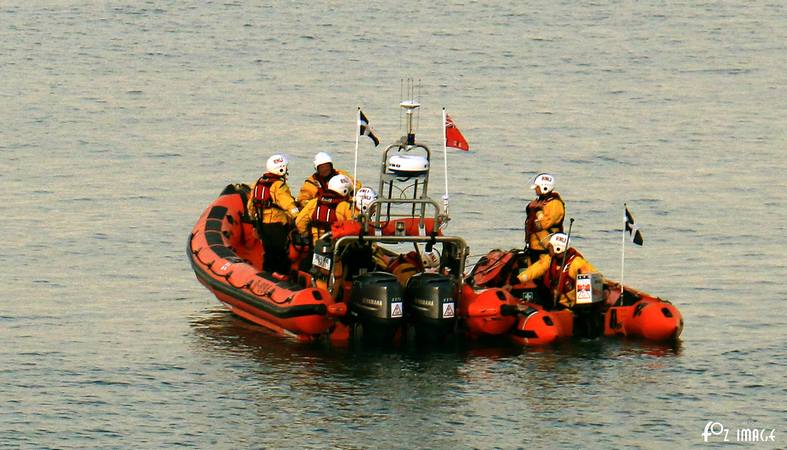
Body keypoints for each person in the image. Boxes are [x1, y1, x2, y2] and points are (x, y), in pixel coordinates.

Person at [247, 154, 300, 276]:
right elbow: (288, 204)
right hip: (276, 225)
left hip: (262, 224)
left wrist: (254, 224)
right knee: (280, 253)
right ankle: (282, 276)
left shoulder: (258, 183)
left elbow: (251, 206)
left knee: (268, 251)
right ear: (281, 169)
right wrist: (298, 218)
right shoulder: (279, 186)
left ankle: (267, 273)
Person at [517, 232, 598, 309]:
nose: (548, 248)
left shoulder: (577, 263)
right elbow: (534, 270)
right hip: (554, 299)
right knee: (538, 283)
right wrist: (517, 279)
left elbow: (595, 277)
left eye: (550, 246)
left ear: (558, 248)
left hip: (569, 304)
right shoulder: (549, 259)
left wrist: (606, 286)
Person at [295, 174, 355, 245]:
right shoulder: (345, 206)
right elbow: (353, 228)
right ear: (345, 191)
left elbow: (299, 222)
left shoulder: (315, 202)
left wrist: (306, 234)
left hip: (317, 245)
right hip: (338, 246)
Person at [525, 172, 565, 263]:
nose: (535, 189)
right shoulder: (539, 202)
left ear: (545, 187)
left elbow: (543, 224)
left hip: (545, 248)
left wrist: (538, 213)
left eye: (537, 187)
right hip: (534, 246)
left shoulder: (554, 204)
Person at [297, 152, 361, 207]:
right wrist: (317, 203)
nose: (325, 169)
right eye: (322, 168)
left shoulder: (340, 175)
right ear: (317, 169)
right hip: (323, 208)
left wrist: (352, 194)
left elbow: (356, 185)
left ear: (331, 166)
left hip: (341, 205)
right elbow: (303, 199)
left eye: (327, 166)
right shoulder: (312, 182)